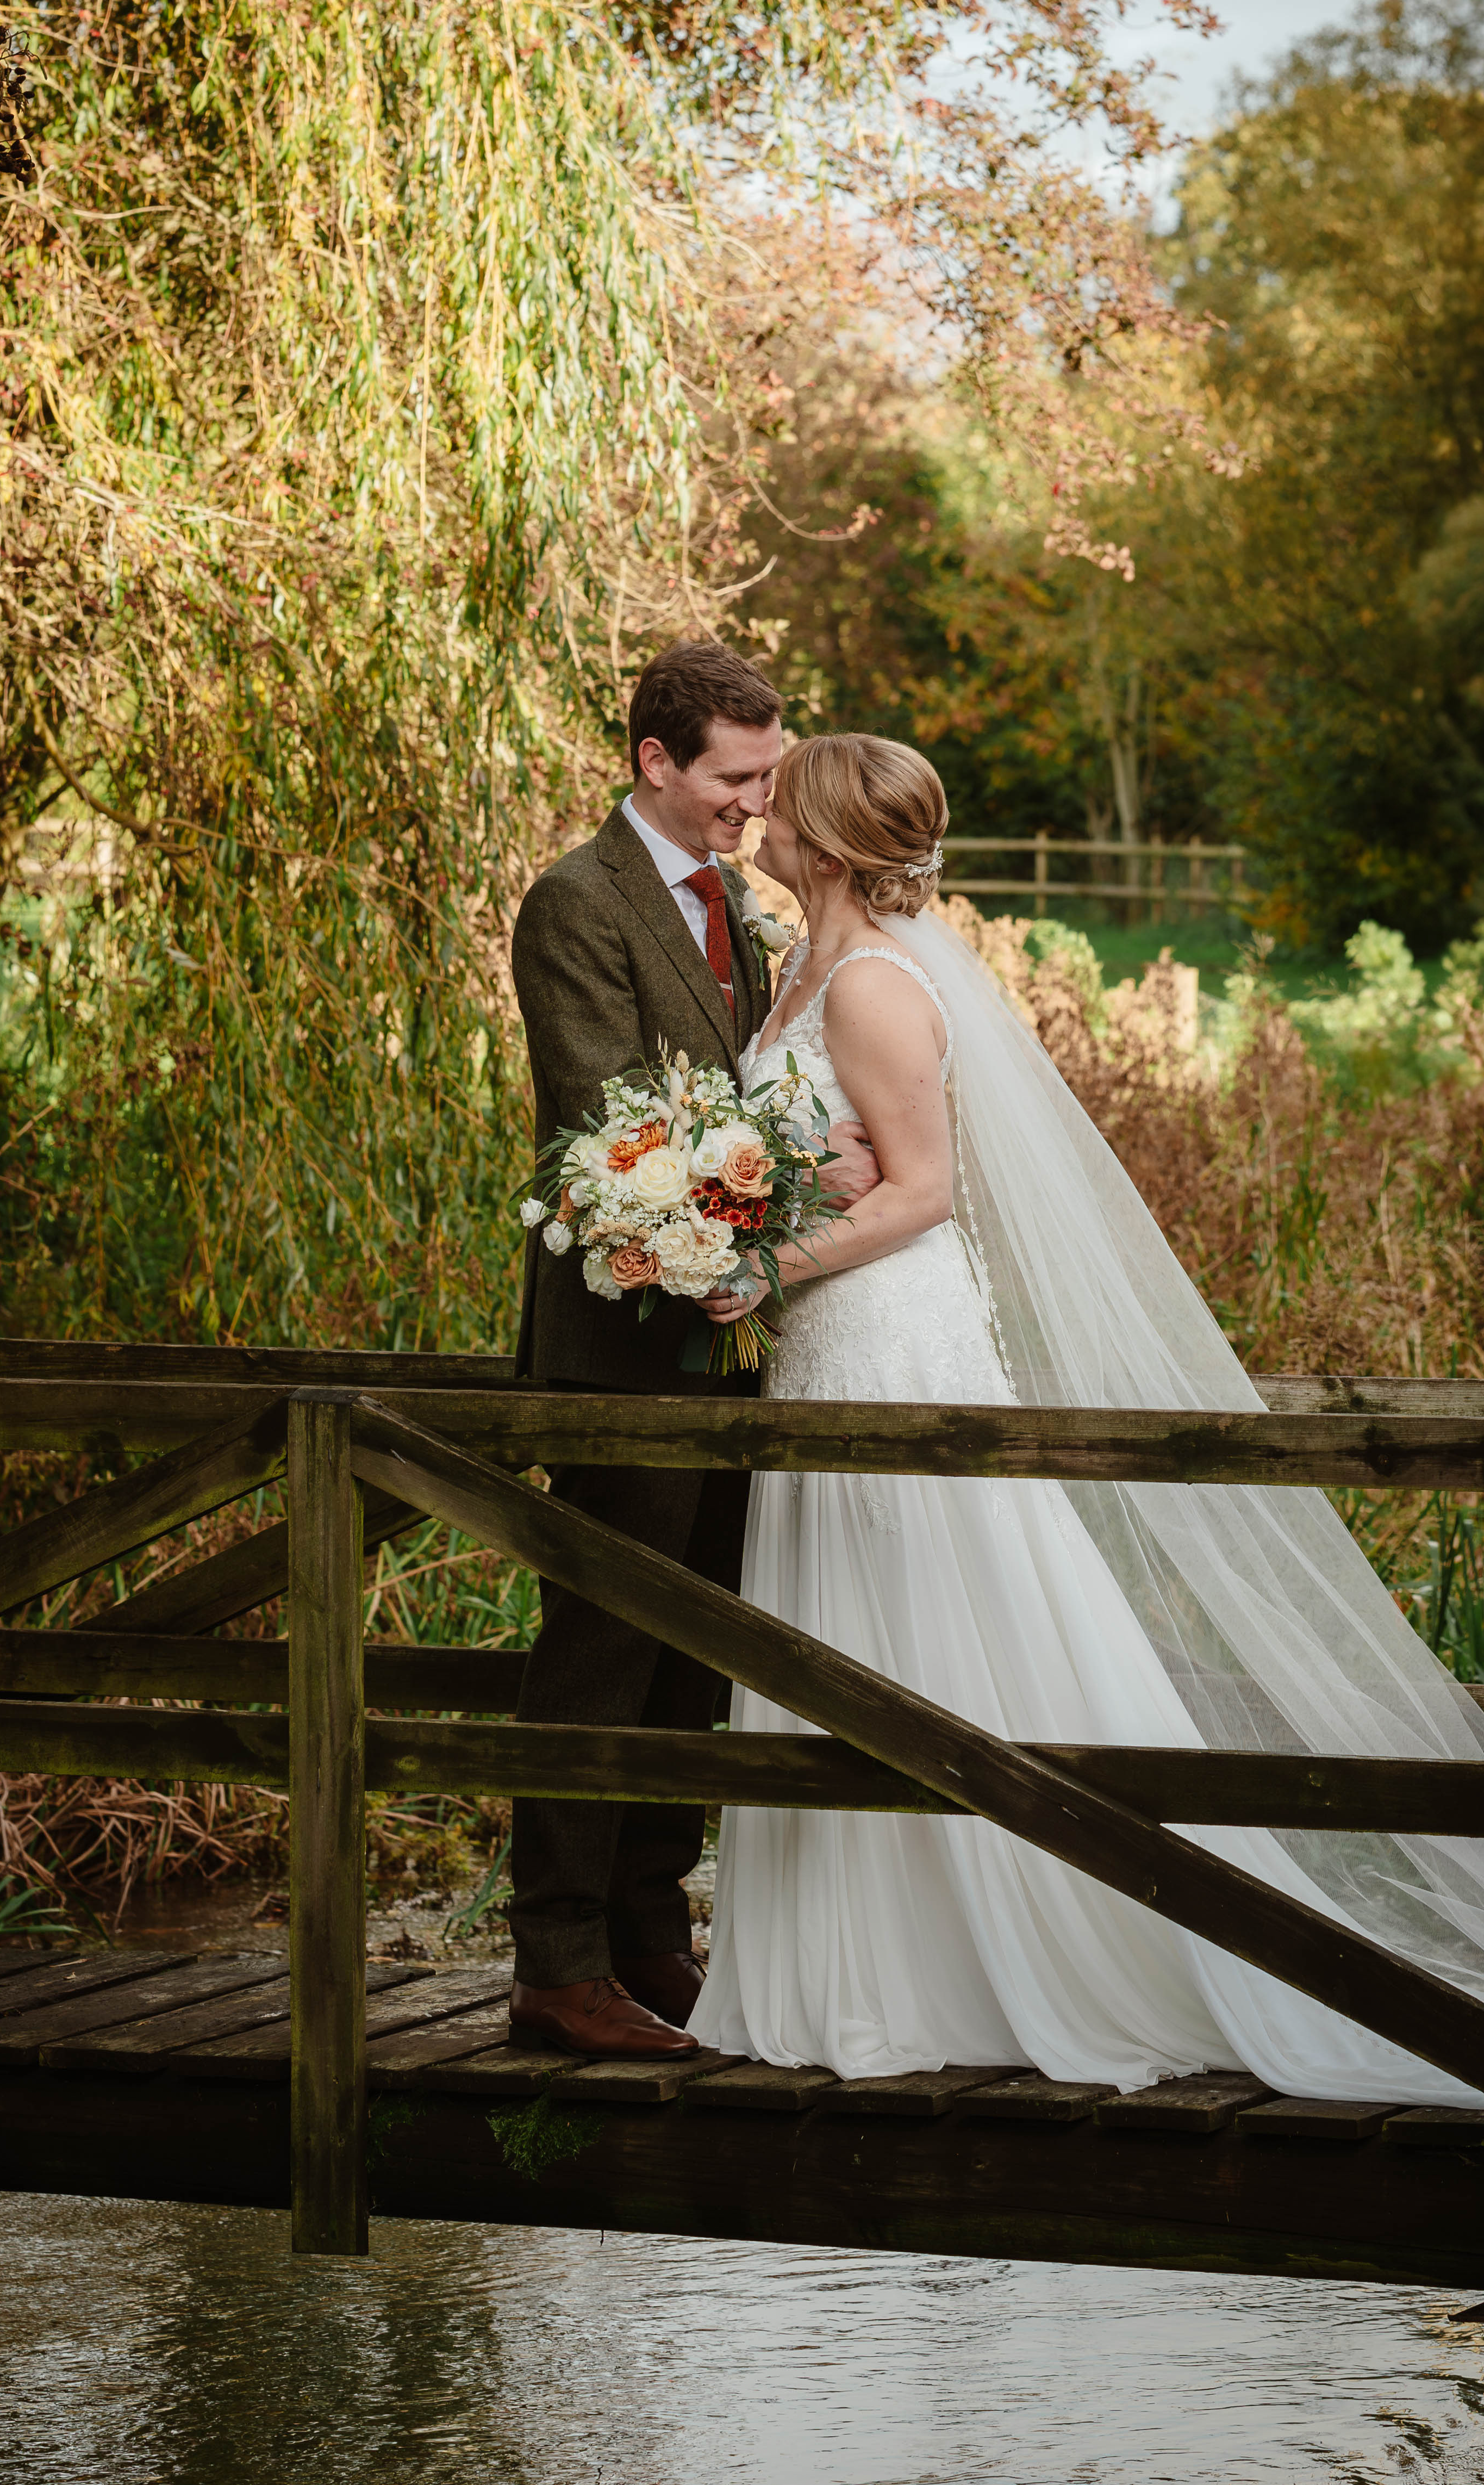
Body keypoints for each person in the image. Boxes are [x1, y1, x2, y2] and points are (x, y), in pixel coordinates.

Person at [689, 733, 1484, 2105]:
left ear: (830, 845)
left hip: (892, 1344)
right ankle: (867, 1958)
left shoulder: (877, 988)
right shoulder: (804, 966)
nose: (760, 813)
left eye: (784, 801)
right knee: (847, 1633)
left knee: (940, 1624)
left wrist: (759, 1266)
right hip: (827, 1344)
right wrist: (758, 1199)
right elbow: (831, 1160)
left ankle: (1022, 1945)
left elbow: (922, 1191)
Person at [506, 643, 881, 2060]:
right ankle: (555, 1961)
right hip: (621, 1341)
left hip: (736, 1343)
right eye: (735, 777)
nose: (755, 803)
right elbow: (611, 1132)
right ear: (658, 762)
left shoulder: (738, 901)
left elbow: (744, 1090)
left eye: (766, 777)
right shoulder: (577, 902)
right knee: (602, 1643)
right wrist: (777, 1204)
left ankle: (652, 1930)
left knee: (700, 1651)